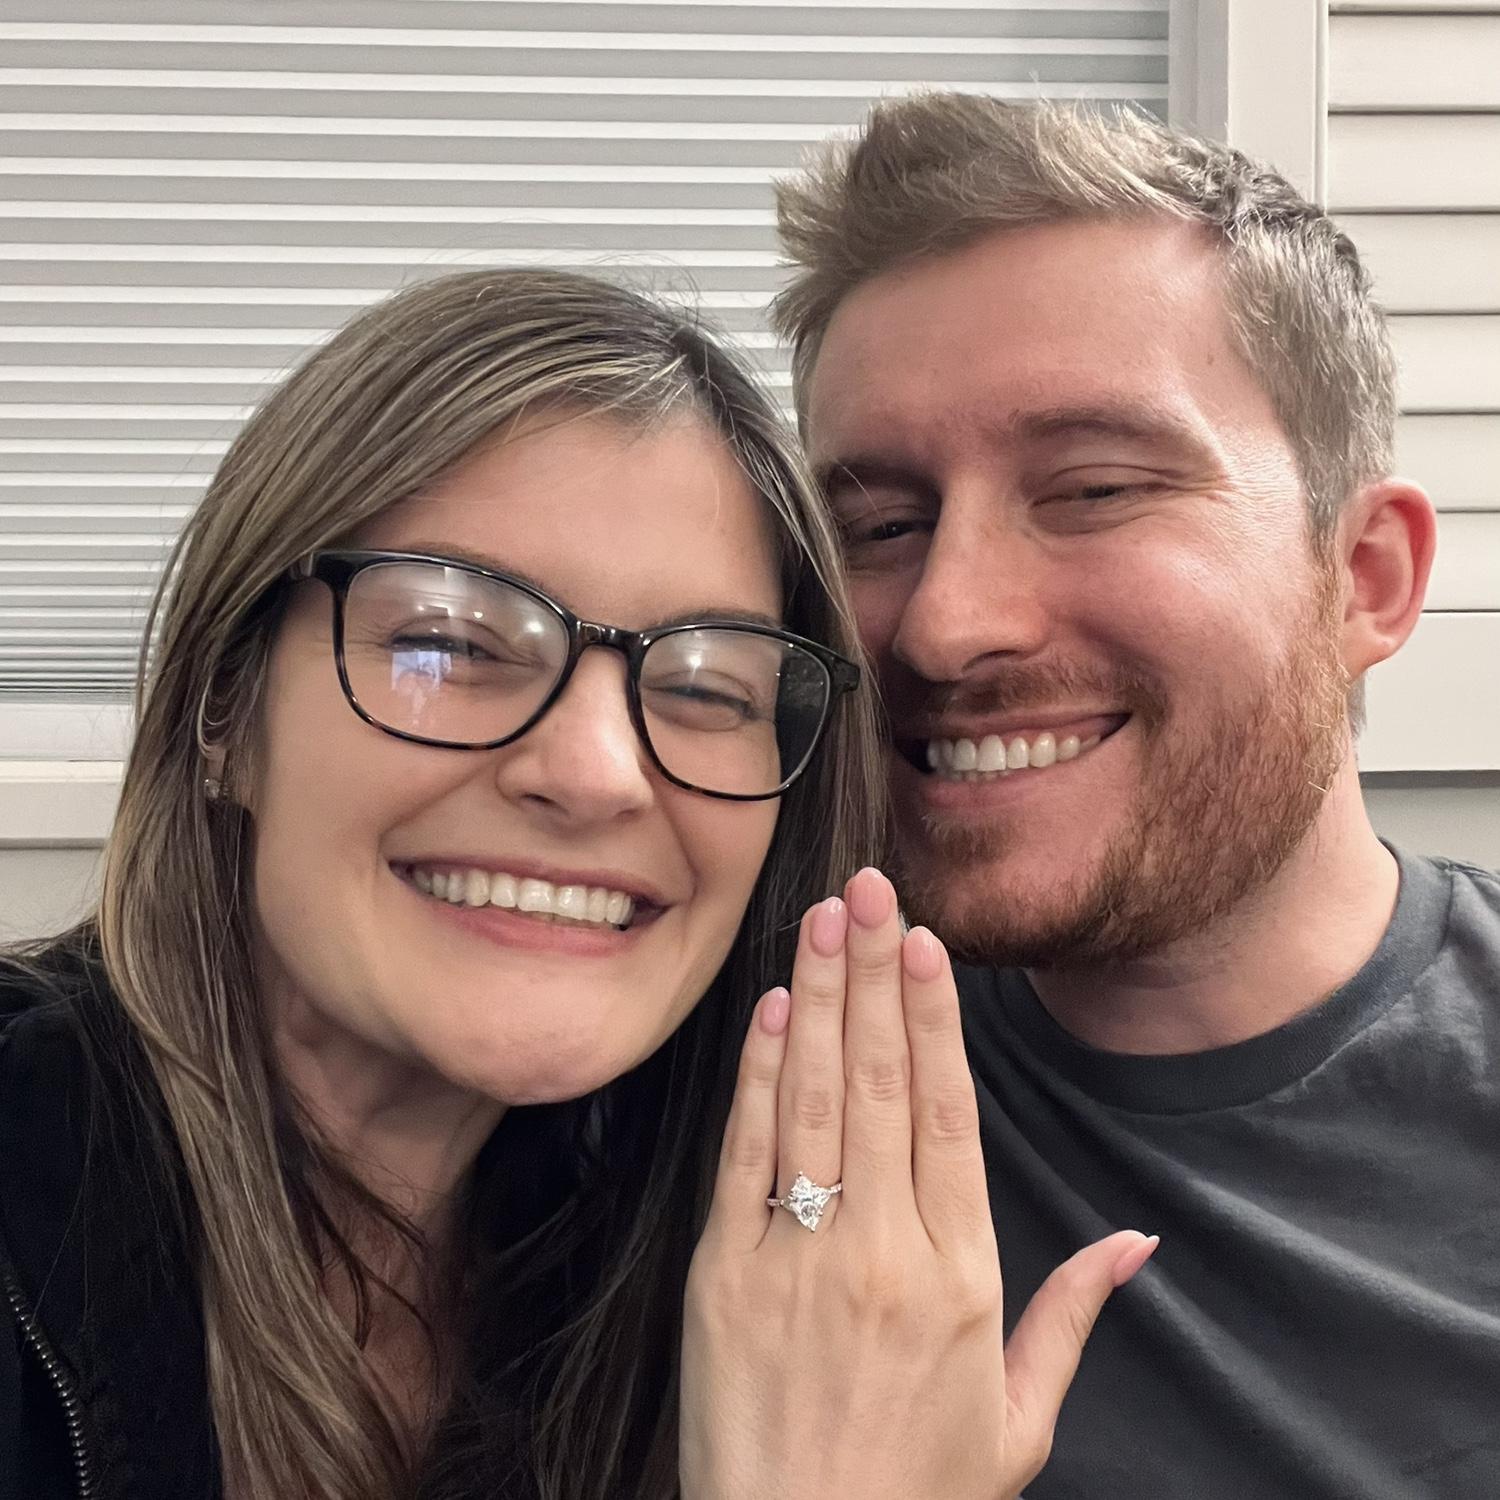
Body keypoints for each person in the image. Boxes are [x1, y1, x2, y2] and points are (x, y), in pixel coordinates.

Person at [0, 266, 1152, 1500]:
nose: (598, 773)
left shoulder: (697, 1268)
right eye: (449, 640)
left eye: (706, 688)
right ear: (223, 709)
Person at [773, 93, 1500, 1498]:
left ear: (1366, 579)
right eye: (881, 526)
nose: (946, 626)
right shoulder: (722, 1082)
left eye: (1095, 491)